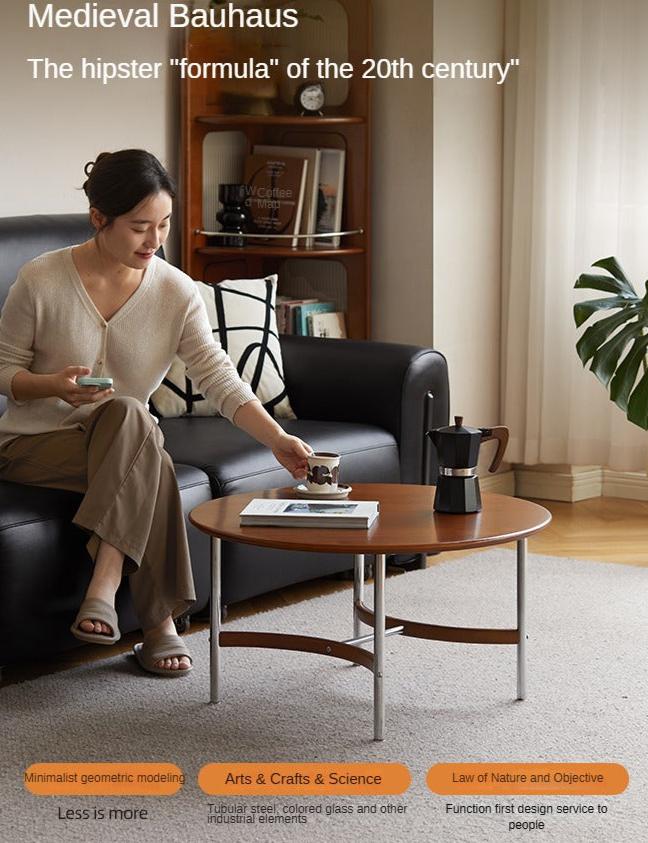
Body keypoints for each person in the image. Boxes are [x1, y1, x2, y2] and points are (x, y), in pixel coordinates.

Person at [0, 149, 312, 677]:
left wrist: (277, 438)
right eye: (140, 227)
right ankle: (158, 621)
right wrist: (52, 385)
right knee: (147, 446)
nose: (155, 241)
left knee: (128, 418)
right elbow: (3, 369)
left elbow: (218, 377)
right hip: (31, 445)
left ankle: (108, 583)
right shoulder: (41, 279)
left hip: (124, 438)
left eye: (164, 225)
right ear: (100, 218)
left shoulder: (175, 290)